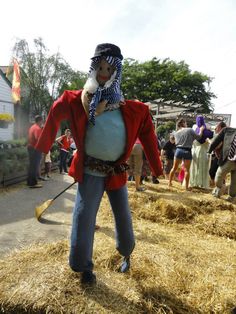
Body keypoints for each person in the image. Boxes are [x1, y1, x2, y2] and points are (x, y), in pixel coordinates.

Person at [36, 43, 162, 285]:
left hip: (116, 173)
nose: (103, 73)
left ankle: (126, 253)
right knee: (83, 218)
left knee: (123, 219)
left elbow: (149, 138)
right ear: (93, 68)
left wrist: (157, 169)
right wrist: (40, 151)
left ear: (116, 73)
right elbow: (53, 114)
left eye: (109, 69)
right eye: (100, 67)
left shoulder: (136, 110)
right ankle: (84, 269)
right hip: (90, 171)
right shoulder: (76, 100)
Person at [168, 118, 205, 190]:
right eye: (186, 122)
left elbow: (172, 141)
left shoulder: (176, 132)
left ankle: (169, 183)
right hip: (187, 151)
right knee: (187, 170)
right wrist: (201, 130)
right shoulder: (190, 130)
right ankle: (186, 187)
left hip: (178, 150)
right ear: (183, 123)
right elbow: (199, 137)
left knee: (174, 168)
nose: (187, 124)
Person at [208, 126, 236, 201]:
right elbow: (216, 140)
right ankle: (219, 189)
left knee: (234, 182)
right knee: (219, 175)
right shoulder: (227, 130)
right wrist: (209, 151)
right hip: (229, 159)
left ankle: (232, 197)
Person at [189, 116, 214, 189]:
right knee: (203, 168)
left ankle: (193, 182)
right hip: (204, 152)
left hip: (195, 152)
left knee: (194, 167)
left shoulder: (194, 131)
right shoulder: (208, 132)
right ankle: (202, 183)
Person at [27, 115, 43, 188]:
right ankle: (33, 183)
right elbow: (38, 138)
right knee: (35, 166)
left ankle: (29, 181)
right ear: (40, 121)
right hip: (35, 149)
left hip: (30, 147)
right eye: (42, 121)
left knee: (31, 166)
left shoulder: (32, 127)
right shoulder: (37, 128)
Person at [208, 121, 227, 186]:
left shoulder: (223, 136)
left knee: (219, 172)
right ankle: (216, 185)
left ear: (221, 128)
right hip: (218, 156)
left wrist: (209, 142)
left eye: (217, 127)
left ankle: (222, 187)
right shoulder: (220, 135)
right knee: (213, 171)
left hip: (222, 157)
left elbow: (217, 146)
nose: (215, 128)